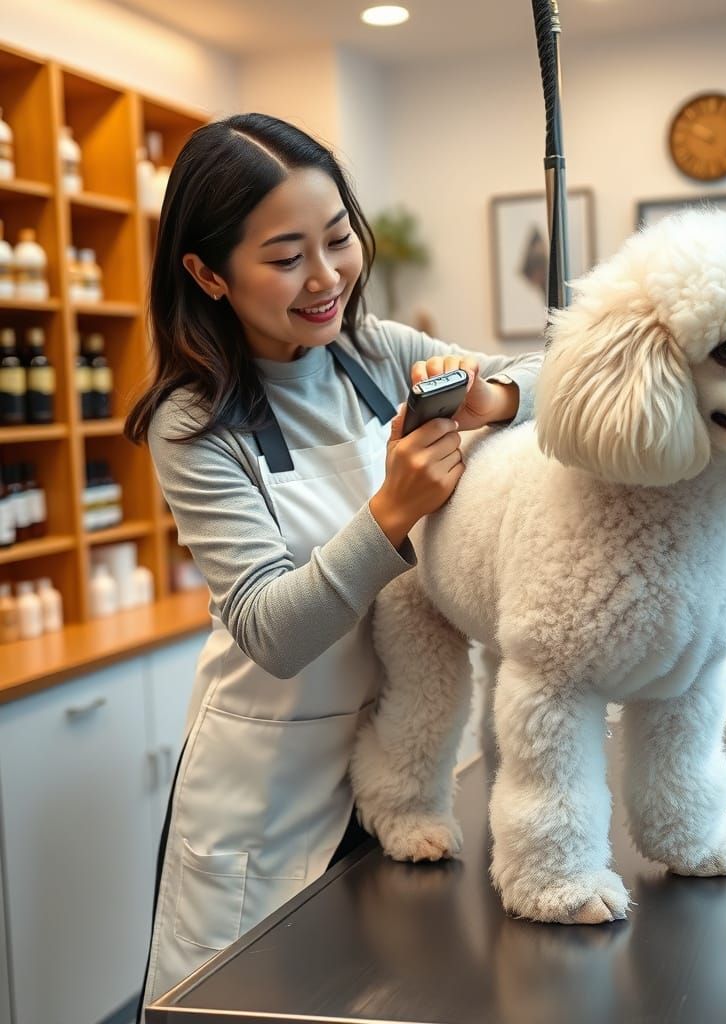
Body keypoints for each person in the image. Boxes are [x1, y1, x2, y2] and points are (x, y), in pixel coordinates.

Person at [125, 112, 542, 1015]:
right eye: (284, 257)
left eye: (339, 238)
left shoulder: (376, 353)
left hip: (404, 765)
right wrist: (393, 510)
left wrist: (496, 393)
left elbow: (550, 375)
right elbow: (274, 630)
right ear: (207, 273)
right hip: (269, 797)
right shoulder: (195, 425)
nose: (326, 279)